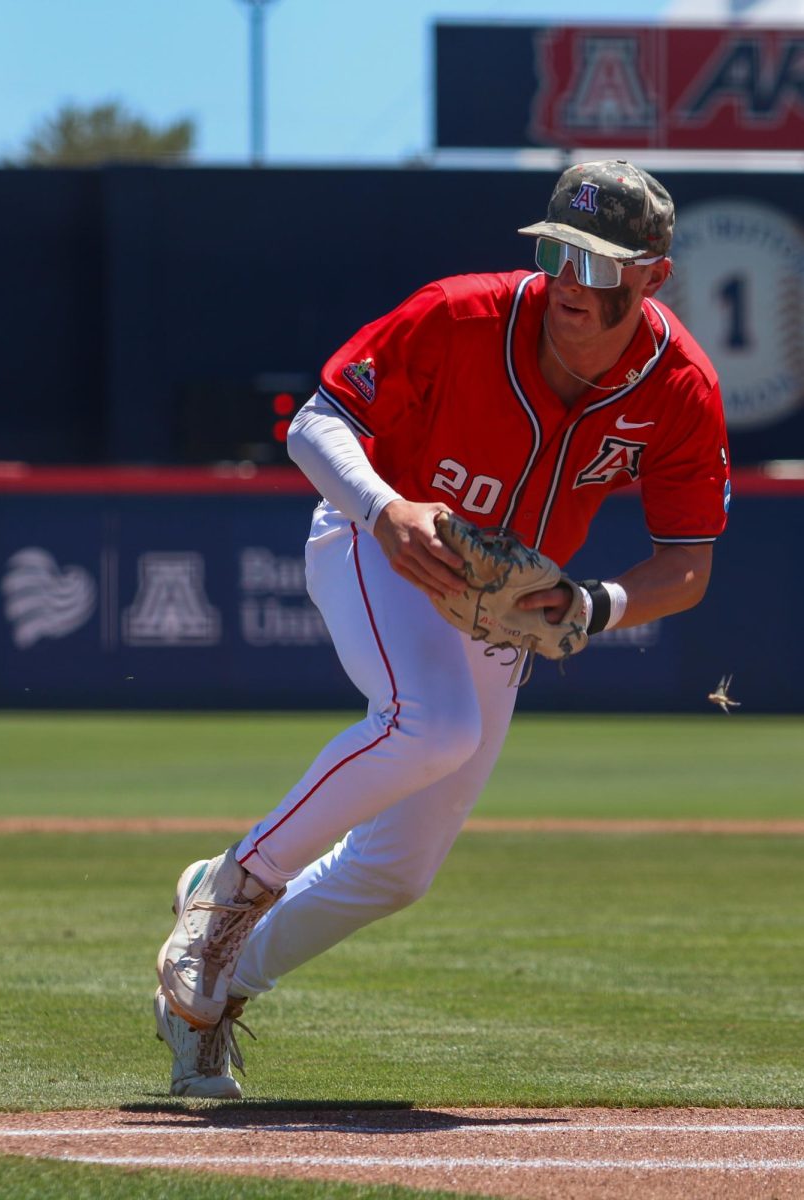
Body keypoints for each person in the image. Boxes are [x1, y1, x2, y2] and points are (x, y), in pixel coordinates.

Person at [154, 159, 730, 1098]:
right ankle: (231, 889)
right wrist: (383, 508)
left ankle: (214, 989)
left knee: (396, 872)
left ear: (650, 276)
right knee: (431, 724)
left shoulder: (681, 389)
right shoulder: (461, 314)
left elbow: (687, 569)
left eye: (594, 265)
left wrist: (591, 606)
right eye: (555, 253)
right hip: (376, 537)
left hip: (496, 601)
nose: (566, 283)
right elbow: (314, 424)